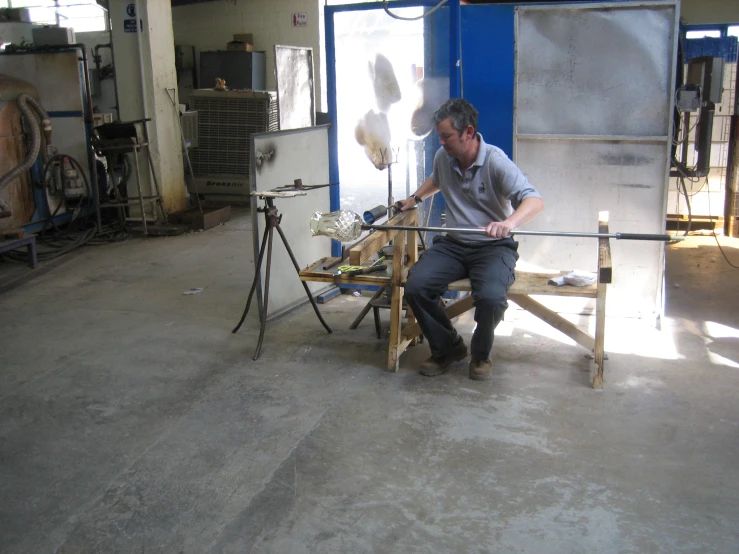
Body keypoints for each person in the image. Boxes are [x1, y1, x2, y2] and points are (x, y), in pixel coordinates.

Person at [399, 98, 544, 381]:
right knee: (416, 287)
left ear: (467, 132)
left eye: (446, 136)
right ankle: (448, 348)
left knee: (490, 297)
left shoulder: (494, 161)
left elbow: (534, 200)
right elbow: (437, 180)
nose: (441, 143)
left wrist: (508, 223)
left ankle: (480, 354)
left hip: (492, 247)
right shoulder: (445, 157)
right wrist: (415, 198)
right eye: (440, 136)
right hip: (452, 245)